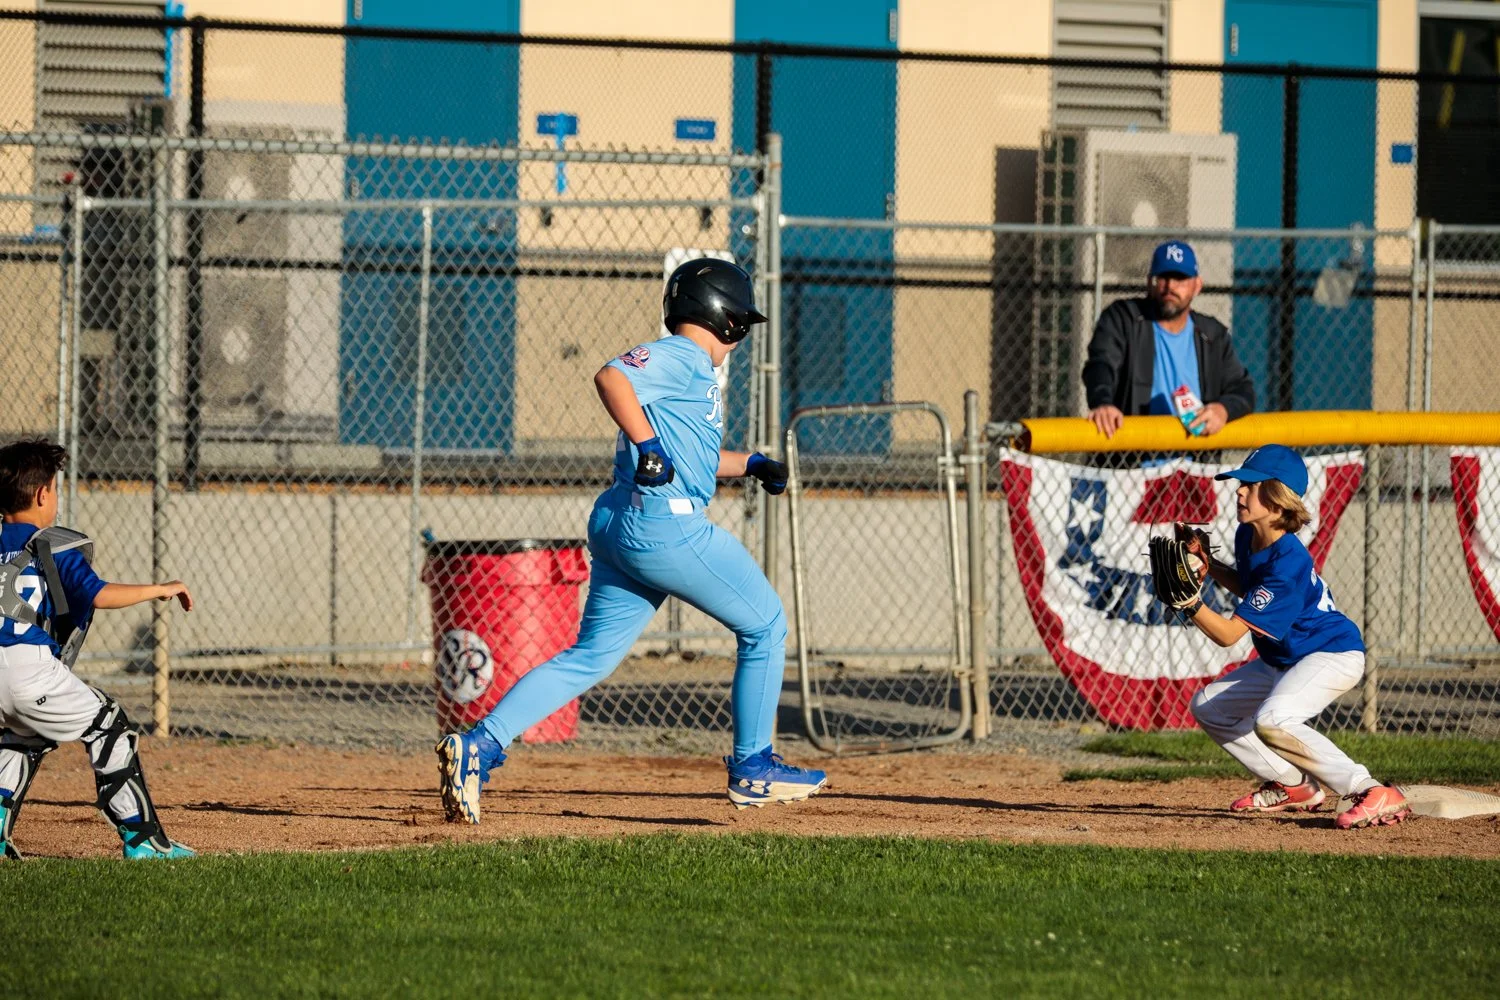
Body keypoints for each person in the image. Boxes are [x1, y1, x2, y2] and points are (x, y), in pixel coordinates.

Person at [437, 258, 827, 824]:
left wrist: (752, 463)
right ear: (727, 321)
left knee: (590, 656)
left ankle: (480, 746)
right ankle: (754, 766)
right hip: (665, 526)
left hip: (623, 521)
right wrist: (647, 444)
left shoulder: (687, 370)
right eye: (741, 324)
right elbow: (610, 377)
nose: (739, 339)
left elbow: (686, 457)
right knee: (765, 623)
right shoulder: (685, 357)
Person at [1170, 444, 1408, 830]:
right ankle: (1294, 785)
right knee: (1209, 707)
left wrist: (1190, 604)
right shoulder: (1248, 535)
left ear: (1279, 501)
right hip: (1286, 658)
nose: (1240, 491)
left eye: (1251, 485)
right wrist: (1209, 565)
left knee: (1274, 719)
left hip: (1330, 654)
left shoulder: (1288, 563)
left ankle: (1369, 788)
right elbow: (1249, 586)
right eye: (1240, 483)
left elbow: (1230, 635)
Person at [0, 439, 196, 859]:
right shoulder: (49, 543)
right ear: (41, 495)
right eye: (52, 488)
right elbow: (99, 594)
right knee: (111, 724)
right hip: (28, 667)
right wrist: (159, 589)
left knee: (22, 734)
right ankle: (143, 839)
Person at [1082, 240, 1256, 440]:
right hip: (1135, 464)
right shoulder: (1124, 319)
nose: (1170, 286)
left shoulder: (1211, 335)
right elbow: (1101, 366)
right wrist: (1103, 403)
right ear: (1150, 282)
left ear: (1197, 286)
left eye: (1180, 278)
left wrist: (1224, 409)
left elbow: (1243, 389)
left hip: (1195, 463)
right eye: (1163, 277)